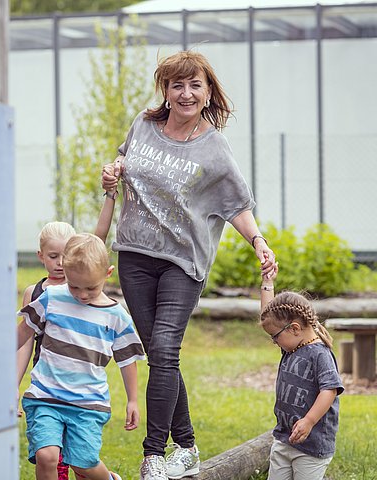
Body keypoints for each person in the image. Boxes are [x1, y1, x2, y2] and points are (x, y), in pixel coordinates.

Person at [101, 50, 277, 480]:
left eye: (195, 85)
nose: (185, 93)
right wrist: (113, 172)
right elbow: (124, 164)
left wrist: (258, 241)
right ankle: (188, 446)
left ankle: (153, 456)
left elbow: (235, 204)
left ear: (208, 91)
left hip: (183, 262)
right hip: (135, 256)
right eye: (177, 85)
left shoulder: (214, 146)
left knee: (165, 350)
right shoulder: (144, 125)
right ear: (166, 90)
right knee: (160, 355)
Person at [17, 233, 146, 480]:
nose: (83, 295)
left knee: (83, 464)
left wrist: (132, 400)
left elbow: (127, 360)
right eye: (75, 287)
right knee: (47, 457)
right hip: (46, 395)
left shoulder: (116, 316)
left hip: (87, 404)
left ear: (108, 274)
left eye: (91, 288)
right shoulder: (52, 298)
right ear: (65, 271)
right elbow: (24, 330)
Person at [260, 265, 344, 480]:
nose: (274, 341)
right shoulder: (291, 346)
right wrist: (267, 282)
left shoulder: (320, 354)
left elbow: (330, 390)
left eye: (275, 337)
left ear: (295, 328)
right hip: (284, 438)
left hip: (312, 444)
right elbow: (268, 317)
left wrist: (308, 421)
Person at [17, 221, 76, 480]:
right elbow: (25, 343)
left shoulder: (80, 289)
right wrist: (13, 384)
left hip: (78, 385)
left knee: (81, 457)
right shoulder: (34, 292)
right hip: (45, 385)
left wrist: (109, 196)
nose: (61, 263)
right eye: (53, 256)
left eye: (67, 256)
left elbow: (99, 239)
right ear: (41, 256)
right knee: (50, 453)